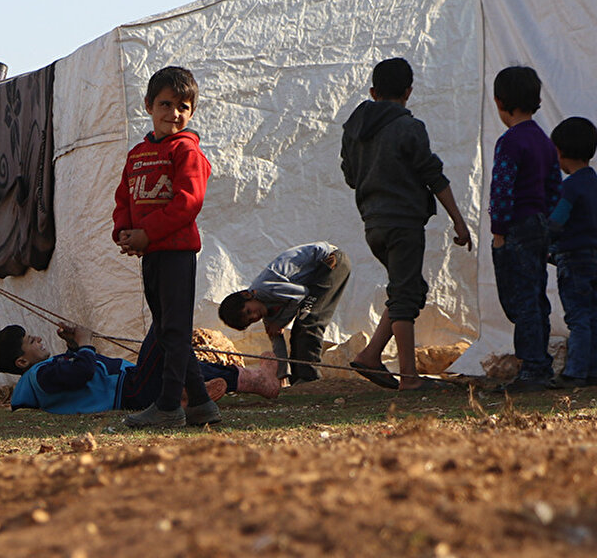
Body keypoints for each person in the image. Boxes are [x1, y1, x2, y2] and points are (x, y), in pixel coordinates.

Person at [340, 57, 472, 391]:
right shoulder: (410, 128)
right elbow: (433, 176)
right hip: (404, 223)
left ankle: (371, 355)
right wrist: (458, 220)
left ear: (373, 92)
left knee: (407, 290)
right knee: (405, 294)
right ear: (408, 92)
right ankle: (410, 378)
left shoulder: (353, 130)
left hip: (373, 223)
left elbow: (351, 176)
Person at [112, 65, 220, 429]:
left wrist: (148, 233)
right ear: (148, 105)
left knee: (173, 329)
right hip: (150, 253)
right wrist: (124, 231)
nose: (174, 113)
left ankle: (169, 405)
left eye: (183, 107)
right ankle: (202, 403)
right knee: (165, 329)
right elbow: (124, 198)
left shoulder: (187, 152)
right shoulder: (137, 154)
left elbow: (188, 202)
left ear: (191, 112)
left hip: (176, 252)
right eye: (165, 104)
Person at [0, 321, 279, 414]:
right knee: (164, 335)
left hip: (132, 386)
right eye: (28, 341)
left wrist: (73, 347)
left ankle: (189, 393)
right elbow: (83, 372)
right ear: (21, 362)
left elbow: (71, 378)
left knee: (175, 357)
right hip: (129, 390)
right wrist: (86, 345)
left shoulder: (43, 375)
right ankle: (250, 380)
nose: (36, 338)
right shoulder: (40, 376)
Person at [488, 66, 562, 393]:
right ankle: (539, 366)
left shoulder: (509, 143)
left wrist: (498, 231)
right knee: (536, 296)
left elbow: (502, 189)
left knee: (520, 299)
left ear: (500, 102)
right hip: (540, 226)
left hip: (516, 226)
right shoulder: (545, 143)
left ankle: (531, 368)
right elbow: (555, 190)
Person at [217, 242, 352, 383]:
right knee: (299, 328)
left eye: (249, 311)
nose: (255, 316)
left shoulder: (264, 289)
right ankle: (297, 380)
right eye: (251, 320)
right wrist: (282, 376)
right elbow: (278, 343)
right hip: (316, 276)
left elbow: (300, 294)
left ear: (247, 295)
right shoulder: (268, 316)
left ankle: (309, 379)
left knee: (309, 320)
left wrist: (280, 323)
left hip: (329, 260)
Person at [548, 116, 597, 386]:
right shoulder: (593, 183)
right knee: (593, 315)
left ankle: (575, 372)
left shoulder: (569, 187)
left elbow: (556, 222)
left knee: (578, 317)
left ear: (560, 152)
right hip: (594, 256)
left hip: (574, 259)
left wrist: (543, 244)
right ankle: (592, 370)